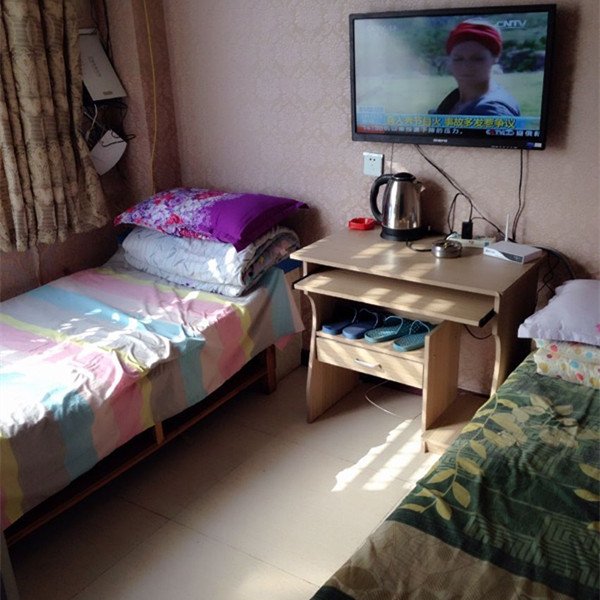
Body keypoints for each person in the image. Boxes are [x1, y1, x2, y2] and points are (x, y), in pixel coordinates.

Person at [432, 20, 520, 116]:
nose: (466, 66)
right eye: (458, 59)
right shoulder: (456, 100)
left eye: (477, 59)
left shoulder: (493, 111)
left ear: (495, 58)